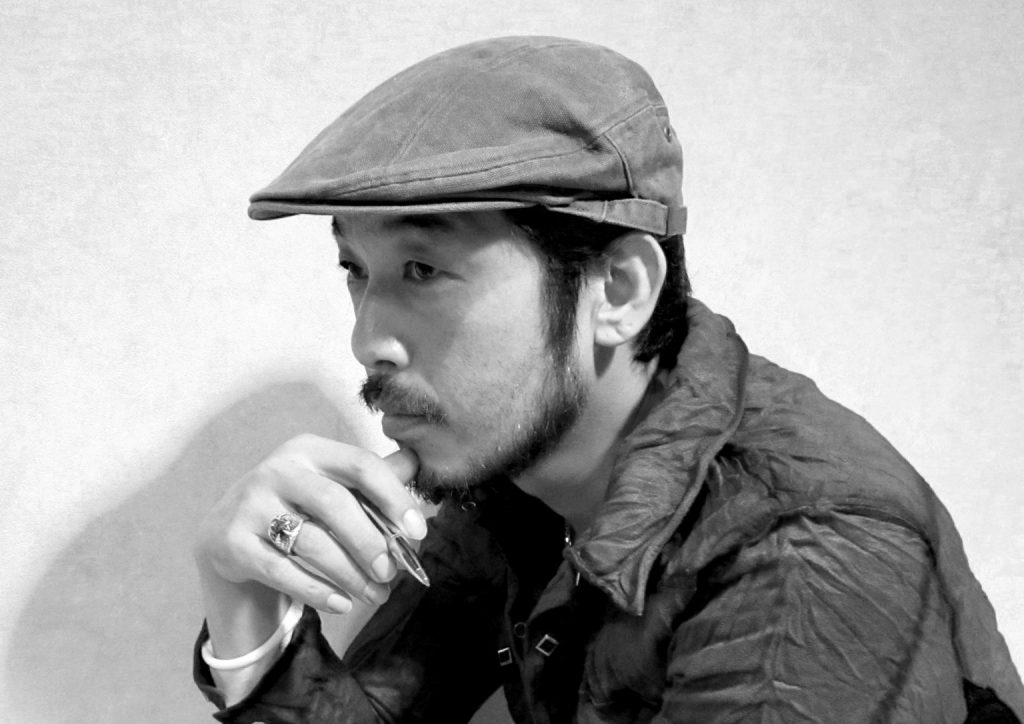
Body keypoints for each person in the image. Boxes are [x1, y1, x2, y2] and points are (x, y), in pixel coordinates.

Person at [192, 36, 1024, 723]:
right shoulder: (512, 479)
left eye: (423, 269)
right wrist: (246, 609)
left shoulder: (807, 556)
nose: (368, 339)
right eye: (355, 270)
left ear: (618, 290)